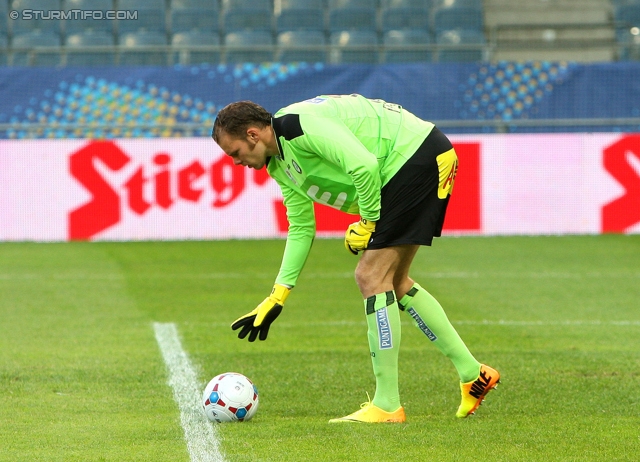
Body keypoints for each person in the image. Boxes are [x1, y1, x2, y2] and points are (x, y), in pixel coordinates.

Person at [212, 94, 500, 423]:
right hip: (419, 156)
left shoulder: (299, 126)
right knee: (394, 281)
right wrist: (278, 294)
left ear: (252, 134)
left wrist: (368, 221)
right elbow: (302, 226)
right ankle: (473, 374)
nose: (237, 163)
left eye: (235, 153)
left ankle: (388, 405)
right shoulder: (279, 164)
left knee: (370, 276)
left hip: (414, 156)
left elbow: (363, 165)